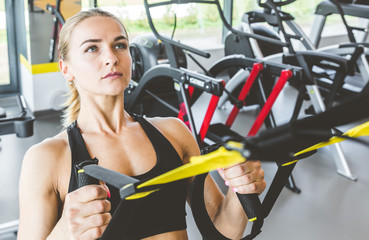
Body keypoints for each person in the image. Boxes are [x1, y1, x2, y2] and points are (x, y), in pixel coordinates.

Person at [18, 8, 266, 240]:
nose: (111, 58)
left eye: (119, 45)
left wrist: (240, 189)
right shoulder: (47, 158)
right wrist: (63, 233)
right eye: (92, 48)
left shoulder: (174, 133)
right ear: (66, 69)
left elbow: (222, 230)